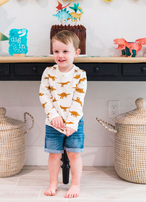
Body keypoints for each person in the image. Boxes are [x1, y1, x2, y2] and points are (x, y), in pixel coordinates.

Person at [39, 30, 87, 198]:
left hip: (74, 123)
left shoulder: (80, 75)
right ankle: (53, 183)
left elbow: (78, 100)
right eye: (56, 51)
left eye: (65, 51)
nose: (60, 55)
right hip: (53, 123)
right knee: (54, 154)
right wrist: (53, 116)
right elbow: (43, 95)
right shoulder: (48, 72)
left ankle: (75, 184)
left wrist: (72, 123)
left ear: (76, 52)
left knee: (74, 154)